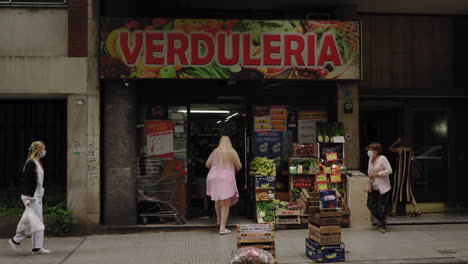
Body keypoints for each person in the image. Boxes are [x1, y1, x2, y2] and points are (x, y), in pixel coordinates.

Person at [9, 141, 50, 254]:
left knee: (36, 222)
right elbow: (27, 182)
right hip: (31, 197)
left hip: (37, 196)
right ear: (38, 150)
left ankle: (36, 248)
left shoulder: (38, 163)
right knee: (34, 222)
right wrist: (28, 198)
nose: (44, 151)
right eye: (43, 149)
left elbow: (40, 182)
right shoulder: (31, 163)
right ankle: (16, 240)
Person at [205, 136, 242, 235]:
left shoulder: (215, 151)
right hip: (226, 178)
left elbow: (207, 164)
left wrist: (215, 168)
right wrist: (232, 168)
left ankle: (219, 220)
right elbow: (239, 166)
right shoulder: (232, 152)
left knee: (217, 199)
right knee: (225, 203)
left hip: (213, 177)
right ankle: (222, 228)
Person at [389, 137, 422, 217]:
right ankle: (416, 209)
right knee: (408, 191)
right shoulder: (410, 150)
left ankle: (393, 211)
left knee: (396, 190)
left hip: (399, 173)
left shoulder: (400, 150)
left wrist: (396, 142)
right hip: (407, 173)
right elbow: (412, 160)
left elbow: (390, 149)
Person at [366, 142, 393, 234]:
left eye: (371, 149)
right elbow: (369, 172)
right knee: (371, 205)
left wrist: (377, 174)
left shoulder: (382, 158)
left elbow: (389, 170)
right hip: (373, 186)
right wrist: (369, 183)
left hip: (383, 187)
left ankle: (382, 225)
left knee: (382, 207)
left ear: (377, 151)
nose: (369, 151)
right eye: (369, 149)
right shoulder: (370, 159)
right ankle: (381, 220)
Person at [189, 135, 211, 218]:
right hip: (203, 174)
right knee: (203, 193)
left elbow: (204, 161)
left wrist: (193, 158)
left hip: (203, 174)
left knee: (203, 193)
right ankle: (206, 209)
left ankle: (206, 211)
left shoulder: (205, 150)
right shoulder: (204, 149)